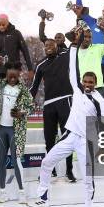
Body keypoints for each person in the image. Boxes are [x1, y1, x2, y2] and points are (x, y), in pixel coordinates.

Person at [28, 29, 104, 207]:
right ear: (82, 82)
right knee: (46, 163)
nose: (87, 84)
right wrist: (74, 46)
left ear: (95, 83)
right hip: (70, 136)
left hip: (86, 141)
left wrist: (103, 146)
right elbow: (72, 69)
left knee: (88, 180)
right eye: (85, 81)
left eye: (91, 82)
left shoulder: (100, 100)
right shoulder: (77, 90)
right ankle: (43, 198)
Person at [0, 59, 34, 203]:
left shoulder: (23, 90)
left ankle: (22, 193)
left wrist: (22, 112)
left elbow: (31, 107)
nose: (13, 78)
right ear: (6, 75)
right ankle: (2, 193)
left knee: (16, 161)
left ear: (19, 74)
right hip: (0, 130)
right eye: (10, 76)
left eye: (15, 76)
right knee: (1, 161)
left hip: (15, 131)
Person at [30, 38, 76, 182]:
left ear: (57, 46)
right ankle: (51, 170)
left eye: (51, 45)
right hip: (49, 104)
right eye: (46, 46)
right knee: (49, 139)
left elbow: (76, 42)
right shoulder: (41, 65)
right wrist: (22, 101)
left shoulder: (65, 55)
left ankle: (69, 170)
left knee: (67, 137)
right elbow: (33, 88)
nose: (48, 47)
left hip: (65, 99)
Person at [0, 14, 34, 80]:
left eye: (3, 25)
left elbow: (25, 51)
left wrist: (30, 69)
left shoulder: (16, 33)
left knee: (12, 89)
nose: (1, 27)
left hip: (13, 69)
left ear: (8, 23)